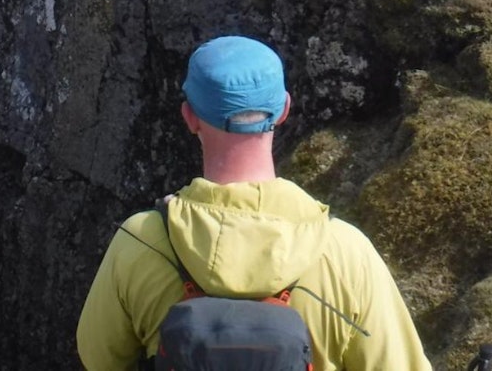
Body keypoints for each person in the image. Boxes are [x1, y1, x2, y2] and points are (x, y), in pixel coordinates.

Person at [76, 35, 431, 370]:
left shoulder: (140, 241)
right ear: (283, 111)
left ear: (190, 117)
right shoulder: (347, 254)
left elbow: (98, 358)